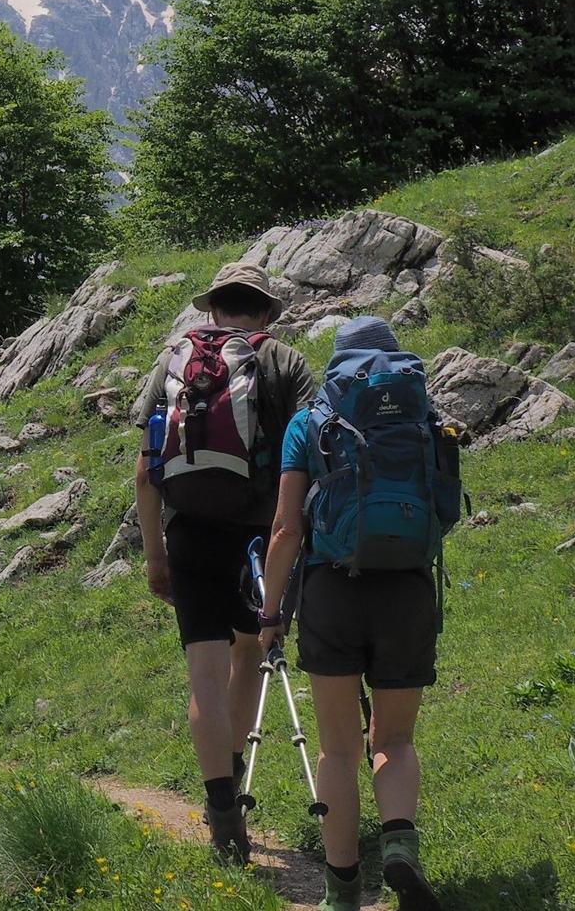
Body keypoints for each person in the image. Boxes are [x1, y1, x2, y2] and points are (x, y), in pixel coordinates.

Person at [259, 316, 444, 911]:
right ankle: (398, 847)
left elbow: (287, 527)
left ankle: (342, 892)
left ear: (338, 362)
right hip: (409, 590)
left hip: (332, 590)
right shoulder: (423, 414)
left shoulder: (309, 420)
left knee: (337, 750)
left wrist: (269, 613)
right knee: (393, 738)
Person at [133, 261, 315, 864]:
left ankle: (220, 810)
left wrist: (156, 556)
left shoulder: (172, 361)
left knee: (203, 675)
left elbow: (146, 470)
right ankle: (233, 776)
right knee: (251, 652)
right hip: (261, 536)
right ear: (265, 311)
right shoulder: (284, 362)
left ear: (213, 309)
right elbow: (307, 455)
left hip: (190, 535)